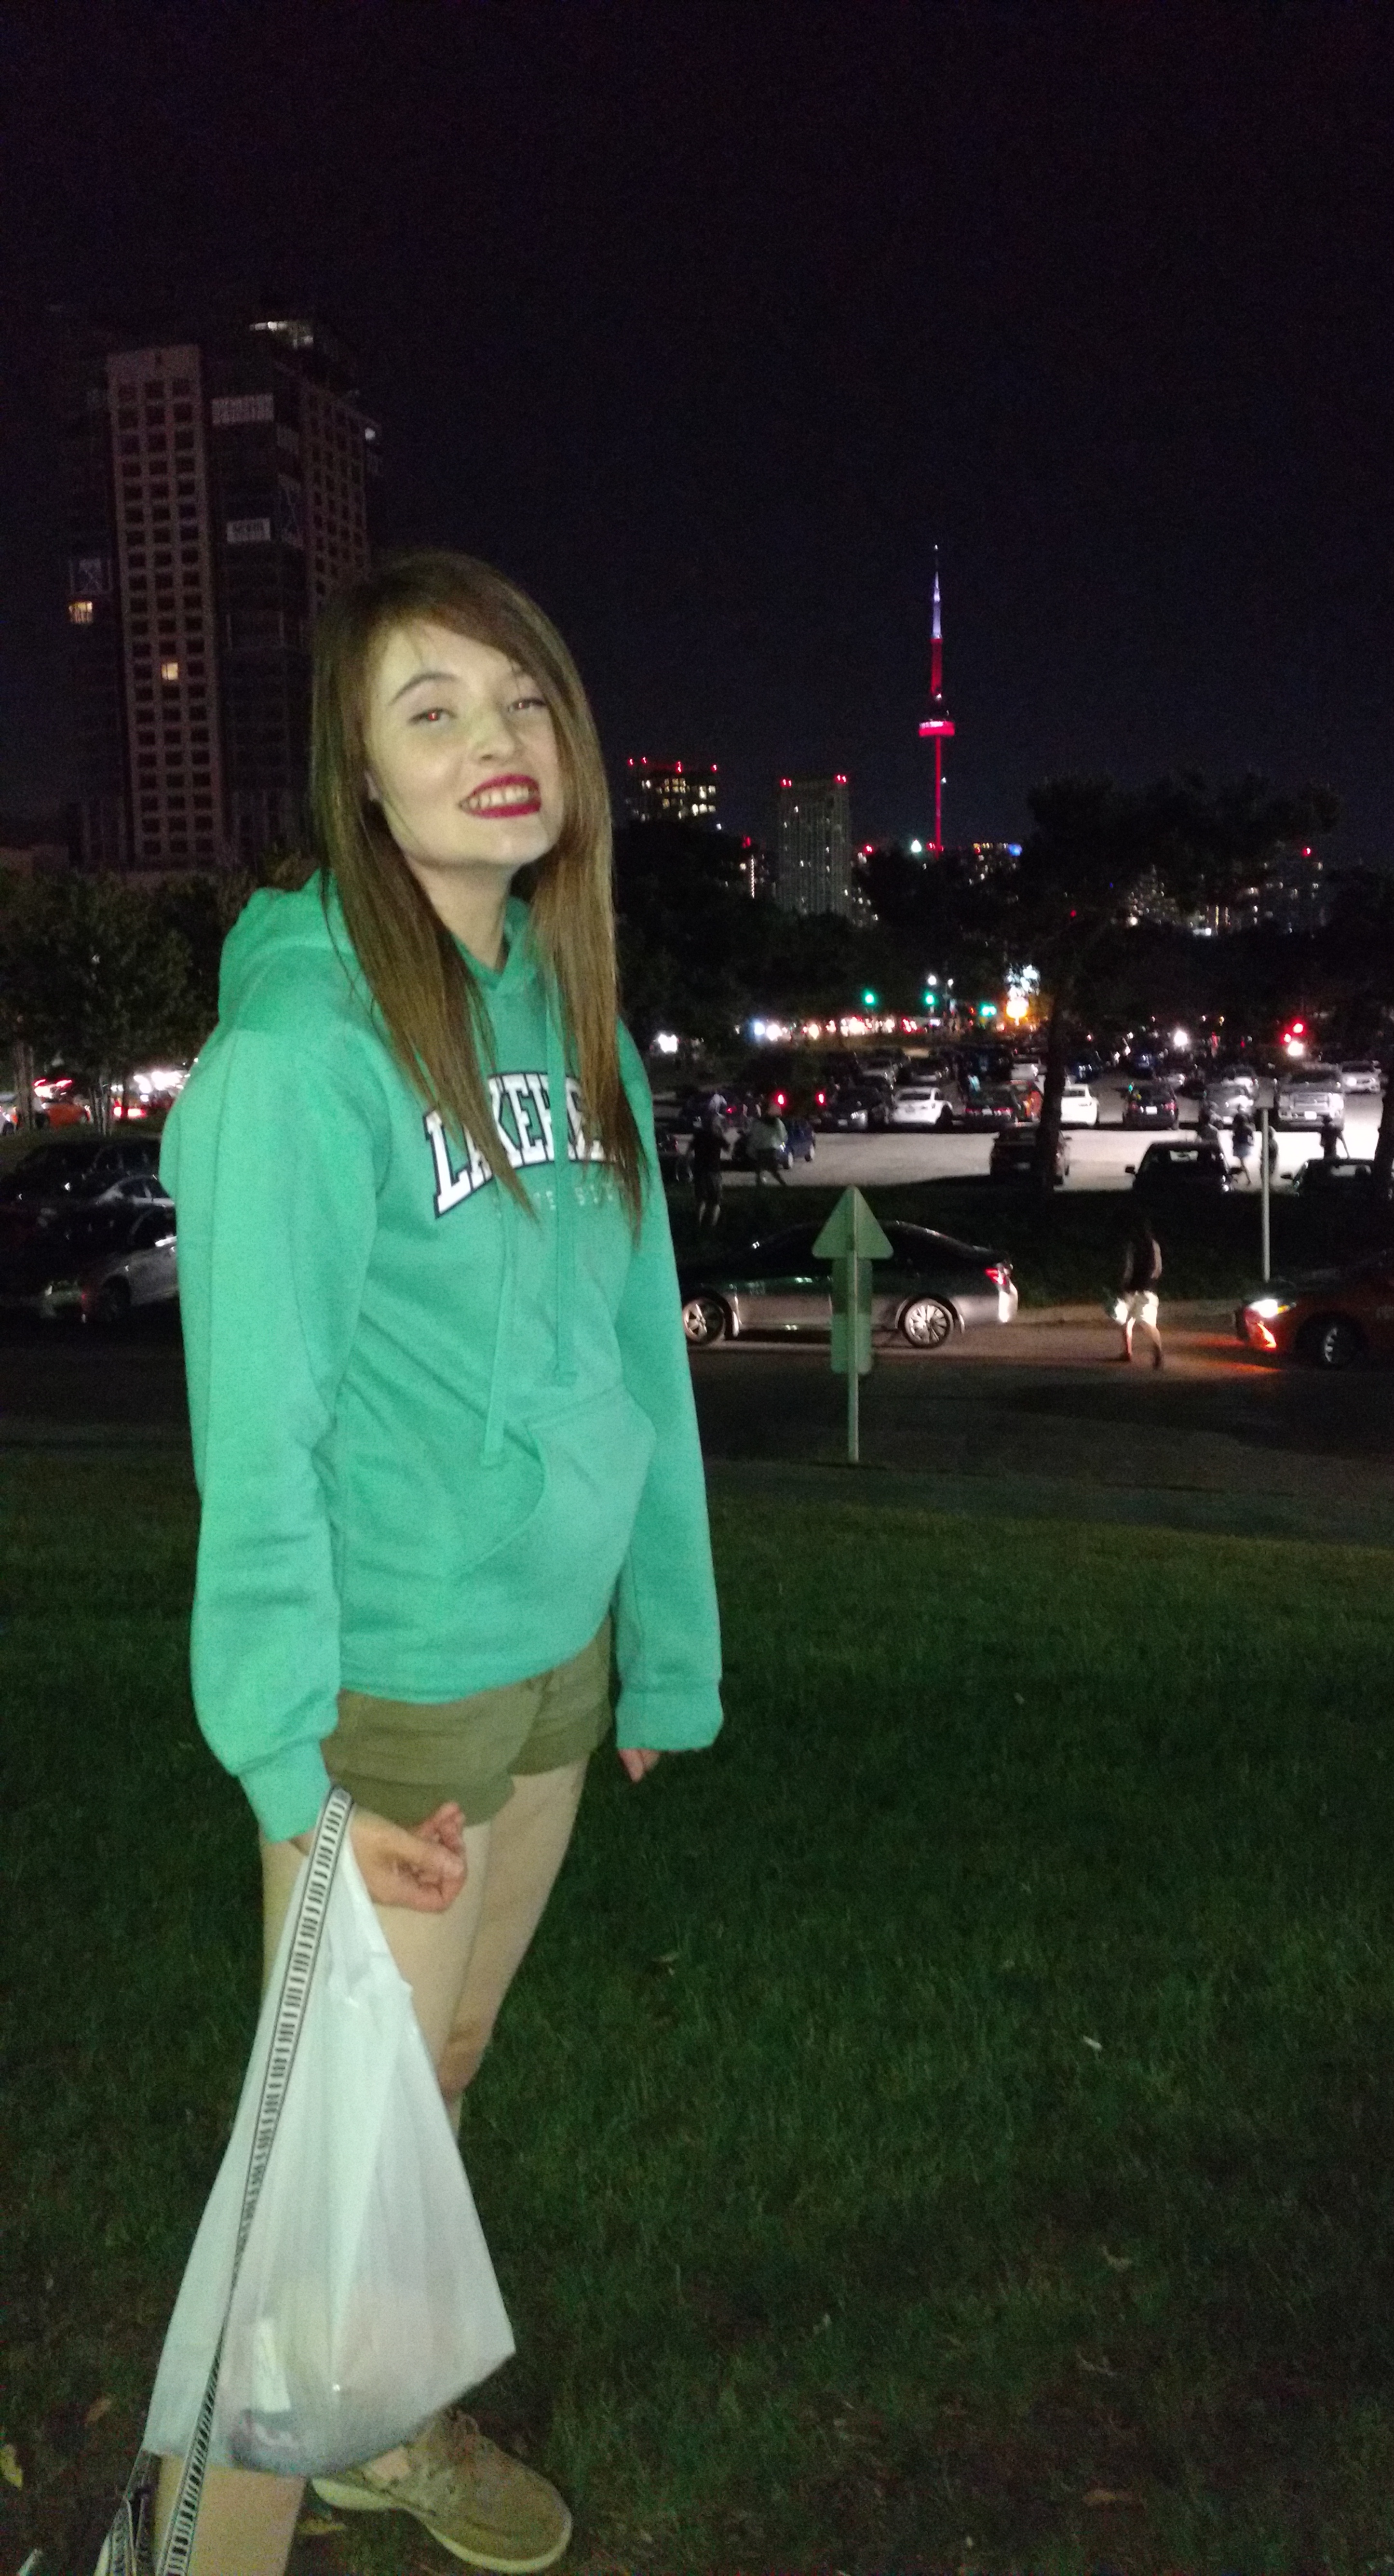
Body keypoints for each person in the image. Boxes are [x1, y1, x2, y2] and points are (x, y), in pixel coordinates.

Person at [133, 551, 723, 2576]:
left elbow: (635, 1353)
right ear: (358, 777)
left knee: (436, 2077)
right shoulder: (302, 1052)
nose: (498, 742)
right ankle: (193, 2547)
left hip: (550, 1667)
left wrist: (665, 1652)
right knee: (319, 2182)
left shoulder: (576, 1011)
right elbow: (259, 1440)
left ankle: (375, 2430)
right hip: (383, 1697)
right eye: (433, 710)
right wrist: (286, 1767)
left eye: (524, 698)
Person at [1117, 1216, 1164, 1368]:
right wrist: (1150, 1282)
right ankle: (1158, 1350)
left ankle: (1128, 1352)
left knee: (1126, 1321)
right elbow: (1158, 1269)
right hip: (1148, 1290)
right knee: (1148, 1324)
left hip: (1132, 1289)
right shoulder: (1154, 1245)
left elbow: (1128, 1268)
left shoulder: (1132, 1245)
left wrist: (1124, 1283)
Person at [689, 1109, 726, 1230]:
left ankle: (697, 1225)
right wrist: (721, 1133)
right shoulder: (717, 1136)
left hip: (700, 1171)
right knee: (716, 1201)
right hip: (714, 1171)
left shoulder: (698, 1136)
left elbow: (688, 1153)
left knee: (701, 1200)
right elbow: (728, 1149)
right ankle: (711, 1227)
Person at [746, 1102, 789, 1184]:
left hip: (762, 1149)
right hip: (771, 1149)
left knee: (760, 1170)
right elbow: (783, 1136)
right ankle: (783, 1185)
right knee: (773, 1171)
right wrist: (781, 1144)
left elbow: (754, 1136)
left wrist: (752, 1148)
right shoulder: (776, 1122)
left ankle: (761, 1185)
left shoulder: (759, 1123)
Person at [1230, 1107, 1254, 1185]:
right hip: (1246, 1147)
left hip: (1239, 1147)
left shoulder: (1237, 1129)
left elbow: (1235, 1139)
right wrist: (1251, 1143)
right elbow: (1252, 1137)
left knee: (1242, 1165)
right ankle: (1239, 1178)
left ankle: (1248, 1179)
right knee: (1242, 1164)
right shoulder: (1248, 1129)